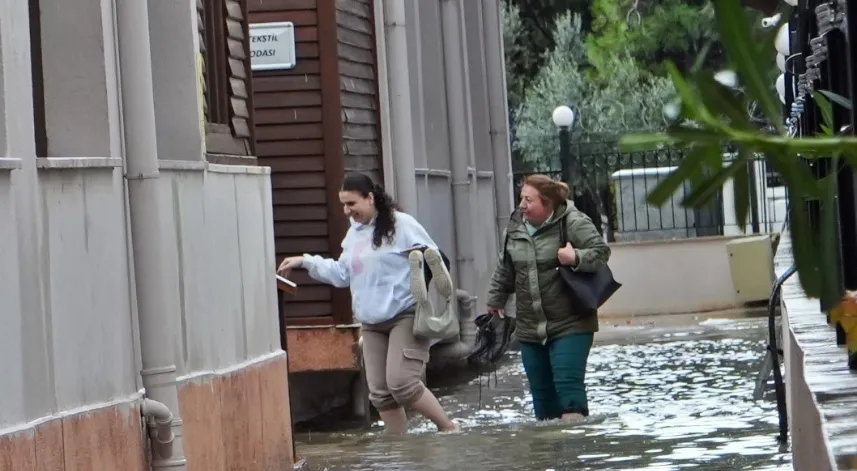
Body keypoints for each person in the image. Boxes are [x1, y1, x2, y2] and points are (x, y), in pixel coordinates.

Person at [278, 172, 458, 434]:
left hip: (404, 315)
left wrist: (423, 280)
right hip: (371, 322)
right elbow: (342, 275)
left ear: (370, 198)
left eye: (352, 204)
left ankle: (448, 428)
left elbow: (438, 261)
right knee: (380, 394)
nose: (346, 211)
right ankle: (399, 450)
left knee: (403, 384)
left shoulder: (402, 225)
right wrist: (306, 262)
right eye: (343, 204)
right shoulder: (354, 234)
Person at [486, 174, 610, 422]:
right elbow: (506, 267)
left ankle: (576, 450)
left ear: (547, 203)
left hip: (571, 323)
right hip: (530, 328)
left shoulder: (573, 222)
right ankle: (549, 456)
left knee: (569, 393)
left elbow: (601, 252)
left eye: (529, 200)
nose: (522, 205)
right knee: (542, 403)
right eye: (521, 198)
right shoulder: (515, 228)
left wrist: (575, 257)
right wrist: (495, 298)